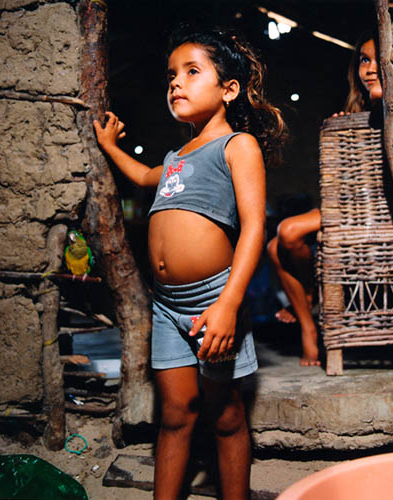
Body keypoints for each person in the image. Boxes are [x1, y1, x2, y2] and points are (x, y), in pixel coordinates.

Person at [94, 25, 287, 500]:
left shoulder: (237, 146)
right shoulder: (176, 157)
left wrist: (228, 304)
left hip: (213, 301)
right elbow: (143, 176)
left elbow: (254, 229)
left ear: (229, 89)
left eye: (191, 71)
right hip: (166, 305)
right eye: (171, 75)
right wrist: (111, 146)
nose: (175, 83)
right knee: (176, 414)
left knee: (225, 415)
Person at [267, 28, 383, 367]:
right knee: (274, 247)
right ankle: (309, 323)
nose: (370, 68)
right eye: (364, 60)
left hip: (379, 209)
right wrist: (344, 128)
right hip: (350, 206)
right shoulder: (353, 111)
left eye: (378, 59)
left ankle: (310, 296)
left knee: (287, 232)